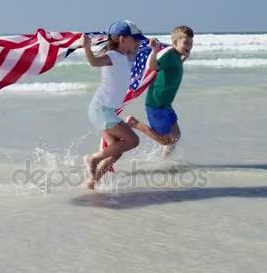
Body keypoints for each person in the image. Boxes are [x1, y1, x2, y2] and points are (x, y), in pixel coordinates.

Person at [82, 20, 146, 189]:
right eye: (135, 39)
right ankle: (93, 158)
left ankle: (91, 182)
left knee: (116, 150)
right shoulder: (111, 56)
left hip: (103, 109)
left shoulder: (124, 56)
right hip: (101, 109)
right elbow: (94, 62)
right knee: (133, 140)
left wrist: (153, 49)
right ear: (122, 39)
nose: (138, 42)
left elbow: (137, 52)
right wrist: (87, 48)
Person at [126, 25, 194, 157]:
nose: (189, 46)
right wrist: (154, 51)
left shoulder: (176, 56)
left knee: (176, 136)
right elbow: (152, 66)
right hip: (157, 105)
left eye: (191, 43)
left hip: (166, 105)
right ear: (175, 42)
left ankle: (165, 161)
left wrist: (184, 58)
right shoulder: (168, 55)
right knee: (167, 140)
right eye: (186, 43)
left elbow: (173, 68)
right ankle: (134, 123)